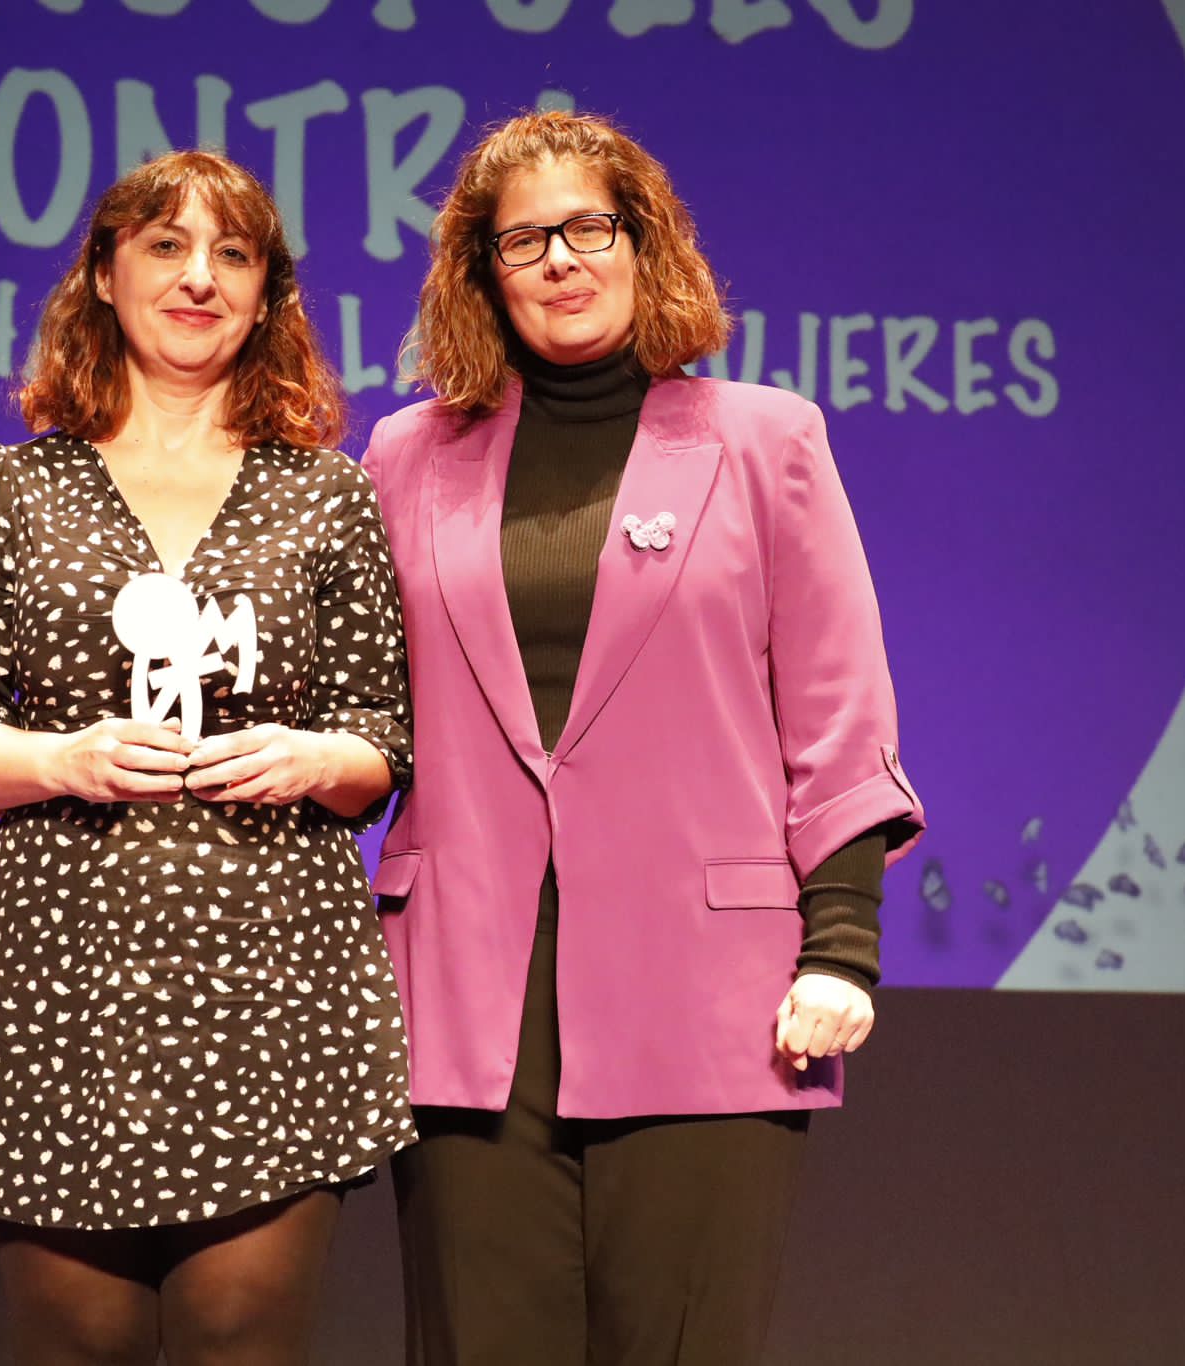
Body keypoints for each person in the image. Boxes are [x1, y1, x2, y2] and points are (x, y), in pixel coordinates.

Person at [359, 111, 926, 1365]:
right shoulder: (405, 453)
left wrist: (840, 948)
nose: (560, 259)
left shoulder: (765, 439)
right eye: (522, 241)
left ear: (641, 241)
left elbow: (836, 711)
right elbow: (363, 706)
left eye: (588, 227)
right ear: (479, 273)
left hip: (711, 994)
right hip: (466, 999)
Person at [0, 149, 415, 1366]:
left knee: (241, 1333)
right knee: (76, 1341)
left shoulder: (326, 493)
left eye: (232, 255)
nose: (198, 279)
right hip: (61, 974)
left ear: (268, 292)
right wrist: (62, 759)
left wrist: (312, 756)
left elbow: (380, 742)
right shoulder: (12, 488)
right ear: (104, 273)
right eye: (166, 247)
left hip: (269, 970)